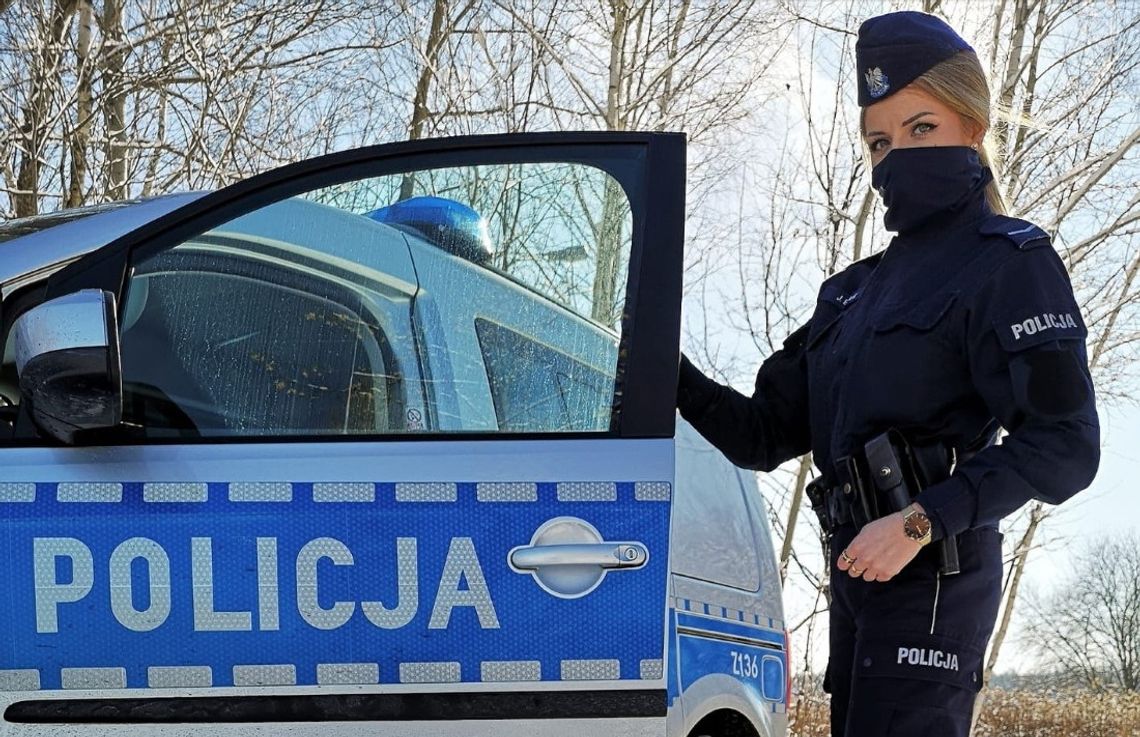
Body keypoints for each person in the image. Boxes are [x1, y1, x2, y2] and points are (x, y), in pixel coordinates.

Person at [676, 11, 1099, 737]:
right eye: (880, 140)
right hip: (853, 577)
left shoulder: (1010, 261)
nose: (896, 155)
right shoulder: (849, 293)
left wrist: (918, 520)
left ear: (972, 126)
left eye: (921, 127)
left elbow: (1065, 444)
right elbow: (761, 434)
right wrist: (662, 367)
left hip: (935, 575)